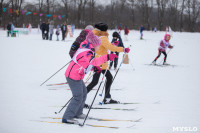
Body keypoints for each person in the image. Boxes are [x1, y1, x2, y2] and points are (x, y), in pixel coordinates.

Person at [62, 31, 118, 124]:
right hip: (72, 76)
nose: (99, 47)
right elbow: (94, 61)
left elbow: (86, 63)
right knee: (78, 97)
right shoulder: (86, 52)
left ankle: (78, 113)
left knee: (83, 93)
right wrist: (107, 57)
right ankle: (67, 117)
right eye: (98, 45)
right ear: (93, 45)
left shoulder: (88, 50)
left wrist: (94, 68)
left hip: (77, 75)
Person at [86, 22, 130, 104]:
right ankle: (80, 97)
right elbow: (110, 47)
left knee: (108, 78)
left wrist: (112, 44)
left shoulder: (97, 36)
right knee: (95, 81)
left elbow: (105, 46)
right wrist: (123, 49)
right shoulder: (103, 37)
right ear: (104, 30)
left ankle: (107, 97)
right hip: (100, 63)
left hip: (100, 62)